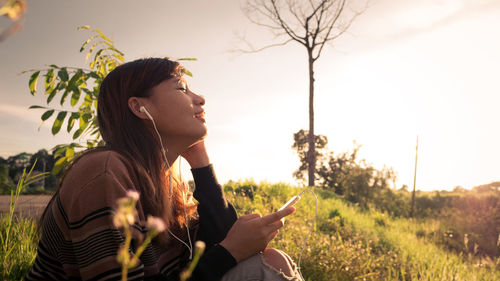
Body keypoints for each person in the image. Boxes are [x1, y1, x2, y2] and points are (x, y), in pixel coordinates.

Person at [25, 58, 304, 281]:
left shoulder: (165, 181)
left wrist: (200, 159)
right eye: (182, 88)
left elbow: (217, 239)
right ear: (140, 107)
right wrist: (230, 252)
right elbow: (225, 252)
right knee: (267, 266)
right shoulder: (105, 172)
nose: (200, 98)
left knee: (270, 260)